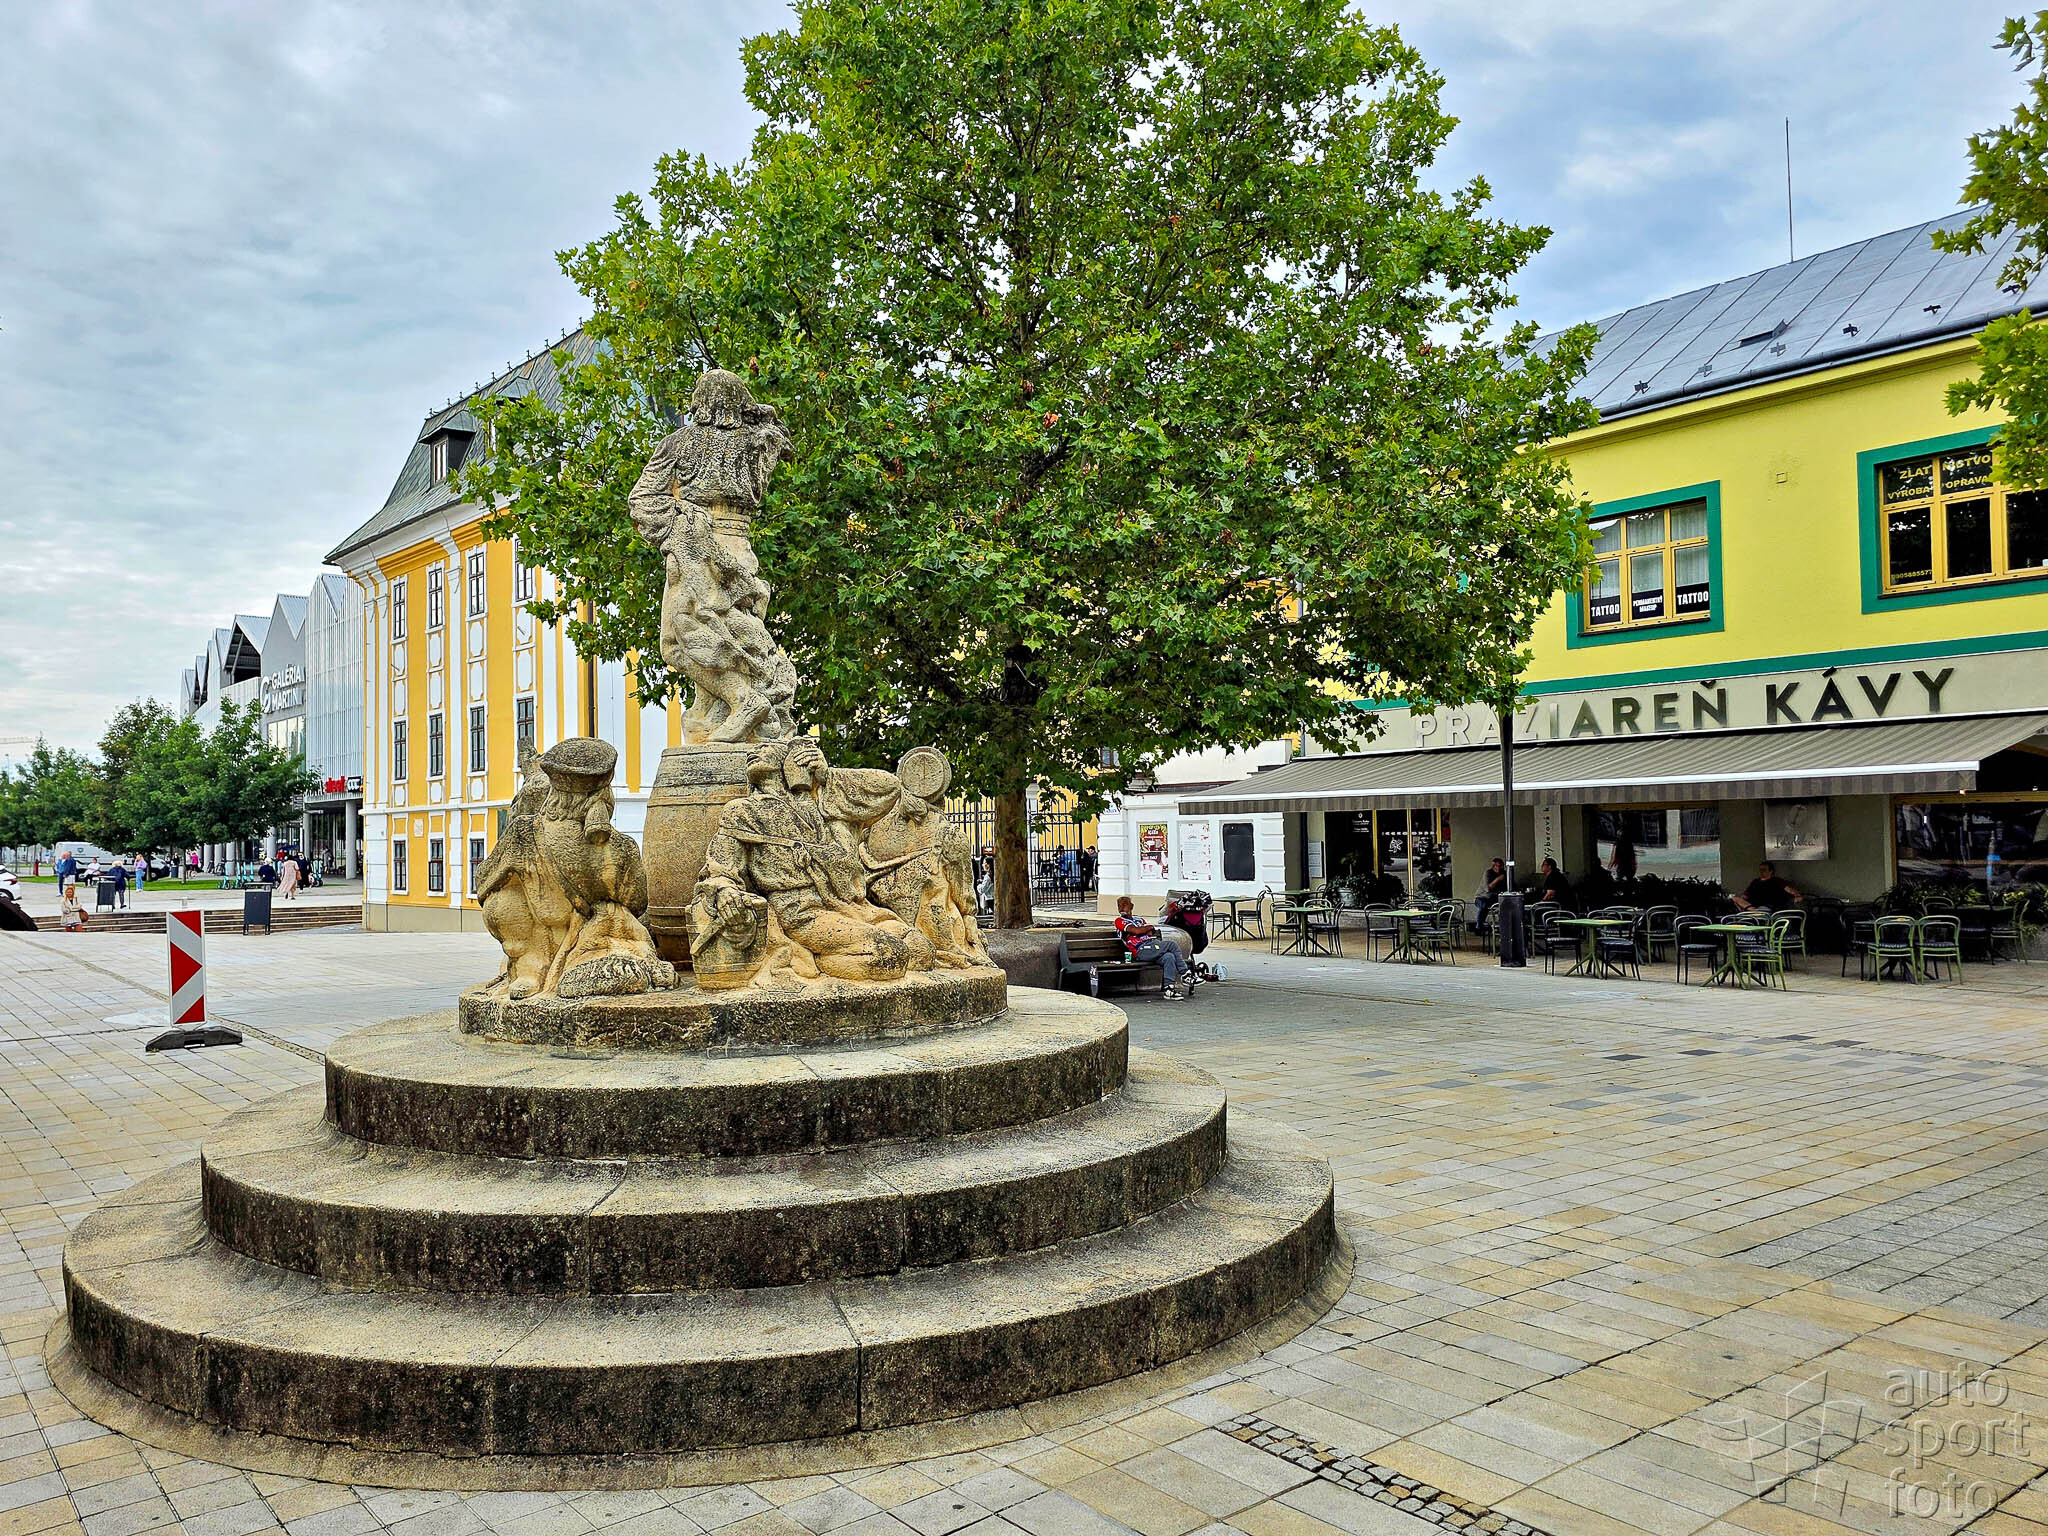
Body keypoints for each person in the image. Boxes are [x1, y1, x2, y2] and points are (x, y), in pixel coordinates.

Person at [1114, 895, 1189, 999]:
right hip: (1140, 950)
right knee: (1171, 945)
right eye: (1119, 905)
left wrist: (1145, 929)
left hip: (1151, 946)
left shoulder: (1139, 920)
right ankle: (1185, 974)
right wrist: (1147, 928)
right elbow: (1136, 931)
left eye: (1124, 905)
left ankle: (1169, 989)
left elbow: (1149, 932)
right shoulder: (1119, 921)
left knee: (1169, 957)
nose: (1121, 908)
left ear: (1131, 906)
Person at [1732, 861, 1801, 912]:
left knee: (1762, 909)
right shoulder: (1755, 882)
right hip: (1751, 905)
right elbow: (1746, 895)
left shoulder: (1776, 881)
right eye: (1760, 870)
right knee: (1735, 899)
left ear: (1771, 871)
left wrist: (1797, 896)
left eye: (1764, 870)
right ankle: (1753, 911)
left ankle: (1755, 912)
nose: (1761, 872)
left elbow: (1789, 890)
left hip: (1767, 906)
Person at [1474, 857, 1508, 930]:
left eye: (1500, 866)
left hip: (1495, 897)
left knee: (1507, 904)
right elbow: (1488, 888)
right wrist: (1498, 879)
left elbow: (1511, 885)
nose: (1499, 868)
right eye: (1497, 866)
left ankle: (1504, 926)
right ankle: (1479, 926)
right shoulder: (1488, 873)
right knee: (1484, 905)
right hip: (1482, 897)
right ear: (1493, 866)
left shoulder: (1504, 873)